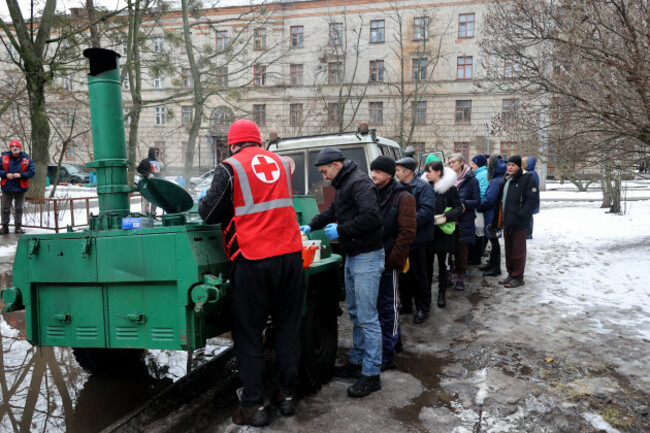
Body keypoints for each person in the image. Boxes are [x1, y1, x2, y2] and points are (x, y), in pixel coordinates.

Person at [198, 119, 304, 427]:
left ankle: (254, 405)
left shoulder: (230, 168)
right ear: (257, 141)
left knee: (248, 335)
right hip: (291, 256)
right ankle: (286, 398)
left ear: (233, 143)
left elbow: (208, 212)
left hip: (254, 258)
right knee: (286, 329)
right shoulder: (282, 164)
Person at [300, 147, 384, 398]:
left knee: (368, 318)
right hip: (353, 255)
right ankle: (356, 363)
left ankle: (371, 374)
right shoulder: (344, 183)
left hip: (367, 256)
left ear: (336, 165)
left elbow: (373, 218)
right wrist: (311, 225)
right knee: (356, 313)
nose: (324, 176)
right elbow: (333, 211)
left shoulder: (360, 183)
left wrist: (342, 231)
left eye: (325, 171)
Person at [370, 156, 416, 370]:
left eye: (378, 171)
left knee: (390, 308)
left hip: (390, 261)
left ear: (389, 174)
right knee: (378, 308)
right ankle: (391, 344)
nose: (373, 175)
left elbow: (407, 233)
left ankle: (388, 354)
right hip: (373, 258)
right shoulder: (373, 194)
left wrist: (392, 261)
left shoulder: (403, 197)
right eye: (372, 171)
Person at [394, 157, 435, 324]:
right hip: (402, 238)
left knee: (419, 274)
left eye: (398, 170)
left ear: (408, 171)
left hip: (418, 239)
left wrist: (406, 221)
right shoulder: (396, 187)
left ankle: (422, 307)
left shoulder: (422, 187)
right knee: (403, 273)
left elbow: (427, 211)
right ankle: (406, 304)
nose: (395, 173)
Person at [491, 155, 540, 288]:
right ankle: (511, 274)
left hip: (519, 222)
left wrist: (521, 215)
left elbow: (532, 201)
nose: (510, 167)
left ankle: (518, 277)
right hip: (507, 221)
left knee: (518, 251)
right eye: (508, 165)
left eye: (513, 165)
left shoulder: (527, 179)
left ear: (519, 166)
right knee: (509, 250)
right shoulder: (507, 179)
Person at [424, 160, 462, 308]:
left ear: (438, 172)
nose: (426, 174)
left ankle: (441, 294)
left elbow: (459, 208)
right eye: (426, 171)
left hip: (444, 234)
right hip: (428, 233)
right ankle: (426, 296)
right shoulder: (424, 187)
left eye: (429, 171)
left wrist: (446, 217)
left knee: (443, 266)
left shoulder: (450, 189)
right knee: (426, 266)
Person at [447, 153, 480, 291]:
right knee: (448, 250)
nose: (451, 164)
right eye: (449, 163)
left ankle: (460, 277)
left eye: (453, 162)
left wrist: (464, 204)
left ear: (461, 163)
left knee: (462, 251)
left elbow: (478, 201)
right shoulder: (447, 179)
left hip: (464, 222)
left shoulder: (472, 180)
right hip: (449, 222)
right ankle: (448, 275)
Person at [477, 154, 507, 276]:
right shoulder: (501, 178)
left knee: (494, 241)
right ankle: (492, 264)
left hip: (493, 216)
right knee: (493, 241)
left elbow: (489, 200)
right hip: (495, 214)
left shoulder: (495, 181)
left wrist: (479, 207)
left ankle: (496, 267)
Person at [0, 140, 35, 234]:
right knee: (5, 208)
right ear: (10, 148)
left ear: (20, 148)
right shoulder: (3, 158)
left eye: (17, 147)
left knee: (19, 208)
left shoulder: (26, 159)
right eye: (13, 147)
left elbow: (32, 172)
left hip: (21, 187)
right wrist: (5, 174)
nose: (15, 148)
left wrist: (21, 175)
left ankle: (18, 227)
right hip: (7, 187)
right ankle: (4, 227)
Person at [468, 154, 489, 265]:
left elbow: (482, 192)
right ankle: (474, 256)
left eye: (473, 164)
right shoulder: (478, 173)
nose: (472, 166)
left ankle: (476, 258)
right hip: (476, 208)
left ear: (478, 164)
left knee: (478, 234)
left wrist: (474, 203)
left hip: (478, 209)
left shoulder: (483, 174)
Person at [137, 147, 162, 215]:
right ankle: (146, 214)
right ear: (151, 152)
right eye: (155, 152)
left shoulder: (157, 162)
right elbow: (139, 169)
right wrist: (148, 174)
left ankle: (153, 213)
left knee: (155, 200)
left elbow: (158, 173)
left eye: (157, 152)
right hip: (147, 183)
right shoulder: (145, 161)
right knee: (146, 199)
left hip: (155, 184)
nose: (156, 154)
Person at [525, 157, 540, 239]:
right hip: (531, 199)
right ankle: (528, 233)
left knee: (529, 216)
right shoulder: (532, 173)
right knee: (529, 216)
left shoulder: (531, 174)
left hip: (530, 199)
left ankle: (528, 233)